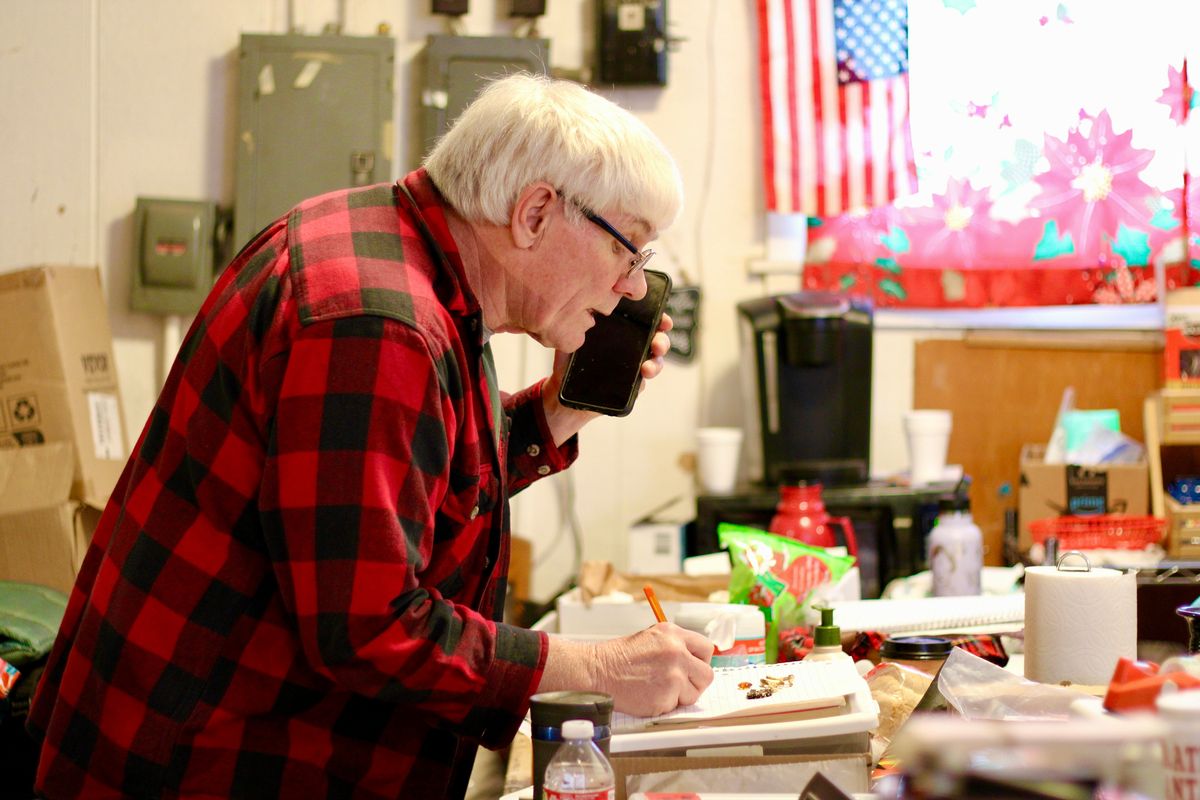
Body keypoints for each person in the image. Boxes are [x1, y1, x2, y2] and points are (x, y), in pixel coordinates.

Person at [27, 73, 715, 798]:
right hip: (202, 766)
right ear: (536, 213)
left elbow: (408, 488)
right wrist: (597, 671)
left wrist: (556, 413)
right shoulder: (378, 323)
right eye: (627, 249)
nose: (635, 287)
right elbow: (368, 625)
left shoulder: (404, 257)